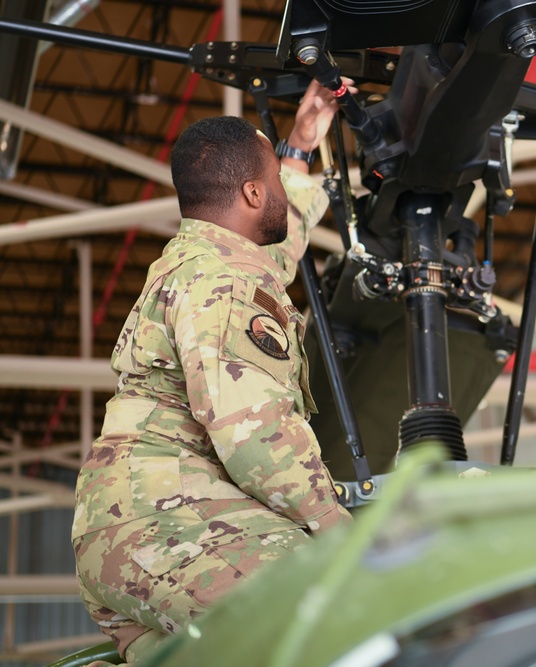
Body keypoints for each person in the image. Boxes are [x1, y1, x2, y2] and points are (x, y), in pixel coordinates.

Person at [72, 79, 355, 664]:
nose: (280, 189)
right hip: (174, 523)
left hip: (129, 530)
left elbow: (278, 249)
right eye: (274, 181)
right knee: (346, 606)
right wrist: (338, 527)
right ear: (253, 193)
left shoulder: (195, 259)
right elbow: (251, 429)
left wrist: (300, 145)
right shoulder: (224, 283)